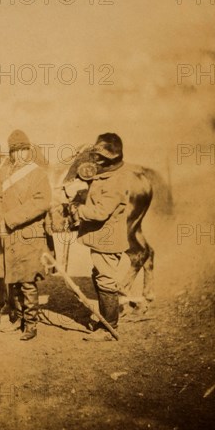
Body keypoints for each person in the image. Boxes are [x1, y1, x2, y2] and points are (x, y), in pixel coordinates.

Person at [0, 130, 52, 341]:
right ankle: (18, 319)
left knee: (27, 281)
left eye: (25, 150)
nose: (21, 155)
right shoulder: (2, 174)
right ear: (11, 153)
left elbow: (41, 202)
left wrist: (10, 219)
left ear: (29, 151)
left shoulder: (38, 174)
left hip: (29, 235)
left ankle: (31, 325)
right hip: (8, 236)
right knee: (12, 280)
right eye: (17, 151)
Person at [71, 132, 131, 342]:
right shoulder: (105, 174)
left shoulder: (115, 181)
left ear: (110, 159)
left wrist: (79, 209)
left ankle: (109, 327)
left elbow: (100, 212)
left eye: (99, 157)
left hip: (108, 239)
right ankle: (105, 320)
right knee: (99, 274)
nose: (95, 159)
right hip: (102, 238)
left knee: (105, 280)